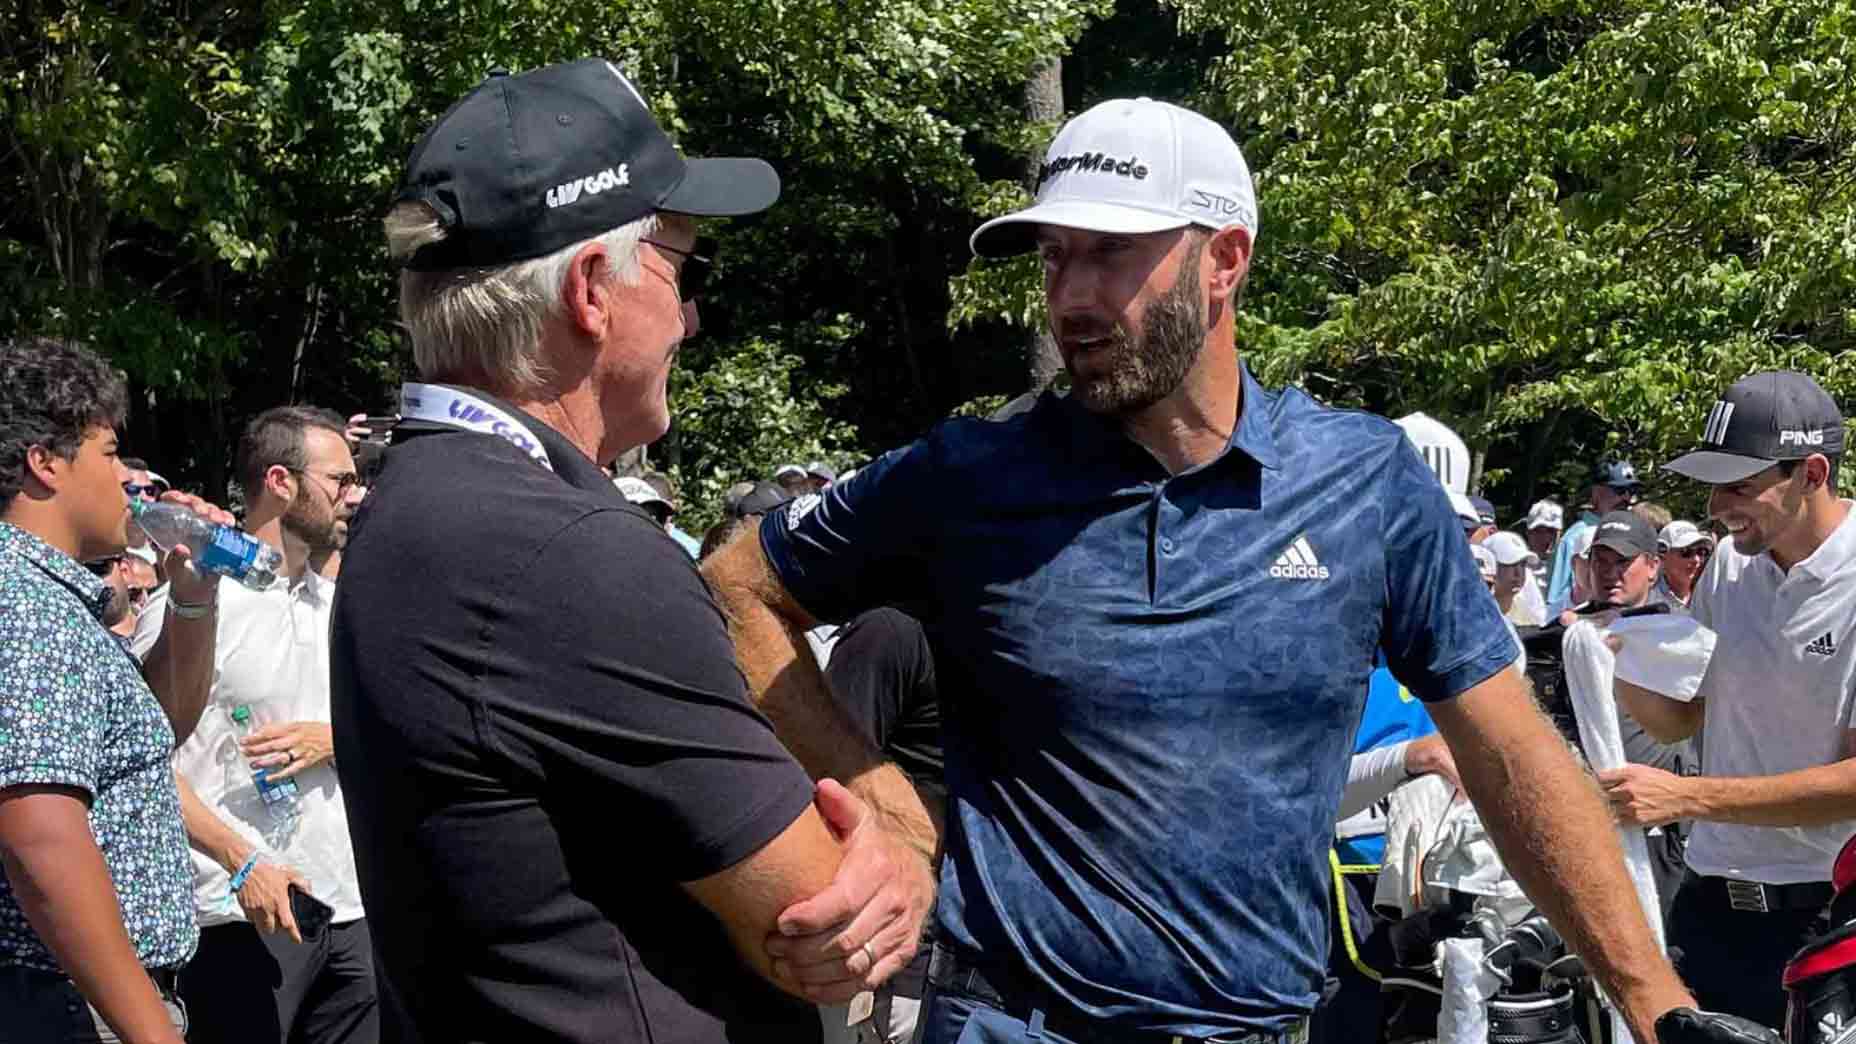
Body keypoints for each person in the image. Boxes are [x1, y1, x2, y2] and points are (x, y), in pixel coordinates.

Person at [703, 97, 1718, 1044]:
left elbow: (1508, 757)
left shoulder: (1362, 482)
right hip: (1005, 1021)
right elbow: (735, 587)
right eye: (1055, 258)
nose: (1070, 298)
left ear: (1224, 258)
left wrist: (1651, 1001)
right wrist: (873, 795)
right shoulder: (968, 474)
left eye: (1110, 254)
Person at [331, 59, 929, 1043]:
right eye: (683, 267)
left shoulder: (423, 495)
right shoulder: (561, 549)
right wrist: (903, 844)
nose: (691, 316)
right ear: (591, 291)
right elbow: (822, 921)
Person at [0, 336, 233, 1043]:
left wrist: (192, 601)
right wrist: (151, 1033)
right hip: (67, 1006)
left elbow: (158, 729)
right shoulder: (25, 605)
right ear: (45, 463)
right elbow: (39, 840)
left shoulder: (52, 598)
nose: (130, 481)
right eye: (109, 455)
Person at [1608, 371, 1856, 1027]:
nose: (1717, 505)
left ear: (1811, 473)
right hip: (1708, 902)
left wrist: (1686, 798)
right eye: (1714, 484)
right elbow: (1687, 718)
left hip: (1827, 921)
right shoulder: (1730, 564)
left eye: (1740, 485)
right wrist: (1628, 667)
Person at [169, 406, 375, 1044]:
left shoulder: (339, 608)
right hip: (238, 917)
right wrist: (242, 863)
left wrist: (337, 740)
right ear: (281, 482)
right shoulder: (198, 601)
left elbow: (391, 736)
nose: (355, 494)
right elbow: (141, 765)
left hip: (350, 914)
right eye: (339, 480)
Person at [1519, 510, 1693, 914]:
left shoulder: (1680, 635)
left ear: (1653, 567)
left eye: (1623, 562)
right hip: (1575, 819)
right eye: (1601, 561)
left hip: (1656, 825)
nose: (1611, 573)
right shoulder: (1561, 637)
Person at [822, 608, 943, 1044]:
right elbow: (824, 782)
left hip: (960, 974)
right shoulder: (891, 633)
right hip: (887, 966)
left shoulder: (988, 654)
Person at [1547, 459, 1643, 607]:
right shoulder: (1573, 538)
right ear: (1596, 493)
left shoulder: (1635, 533)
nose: (1626, 498)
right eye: (1619, 490)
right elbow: (1555, 600)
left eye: (1631, 491)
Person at [1485, 530, 1546, 625]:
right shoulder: (1474, 613)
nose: (1518, 573)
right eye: (1511, 564)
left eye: (1522, 564)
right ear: (1490, 566)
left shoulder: (1530, 616)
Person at [1655, 520, 1714, 609]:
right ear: (1663, 555)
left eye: (1701, 551)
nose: (1696, 560)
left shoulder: (1711, 597)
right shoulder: (1647, 598)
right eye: (1686, 552)